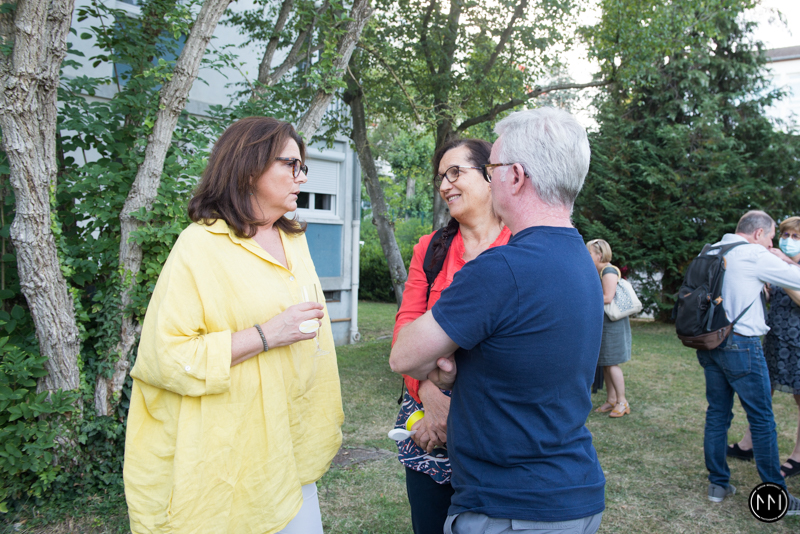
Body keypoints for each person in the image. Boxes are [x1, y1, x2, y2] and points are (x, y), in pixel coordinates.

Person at [123, 117, 344, 534]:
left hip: (289, 444)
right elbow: (166, 356)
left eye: (303, 167)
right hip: (229, 456)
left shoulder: (294, 240)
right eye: (291, 165)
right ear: (249, 168)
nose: (302, 177)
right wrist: (266, 335)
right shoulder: (200, 246)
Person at [390, 107, 605, 534]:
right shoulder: (580, 259)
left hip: (509, 506)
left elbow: (403, 356)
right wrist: (450, 379)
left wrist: (444, 366)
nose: (490, 178)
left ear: (516, 176)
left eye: (492, 169)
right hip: (573, 493)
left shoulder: (501, 268)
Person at [393, 138, 510, 534]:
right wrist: (428, 393)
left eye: (456, 172)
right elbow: (404, 334)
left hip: (496, 428)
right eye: (441, 177)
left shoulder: (522, 247)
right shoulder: (431, 250)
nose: (445, 185)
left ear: (491, 175)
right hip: (428, 429)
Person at [696, 210, 800, 513]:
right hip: (742, 344)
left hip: (709, 342)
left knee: (717, 414)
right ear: (758, 234)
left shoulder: (712, 249)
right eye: (771, 237)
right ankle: (776, 494)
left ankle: (718, 484)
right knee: (762, 419)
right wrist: (784, 259)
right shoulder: (754, 254)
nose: (772, 244)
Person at [729, 216, 800, 479]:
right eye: (785, 235)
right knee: (762, 393)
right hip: (775, 338)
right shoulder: (774, 262)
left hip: (797, 341)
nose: (788, 240)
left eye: (795, 236)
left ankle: (798, 457)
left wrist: (785, 269)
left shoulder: (787, 266)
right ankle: (748, 444)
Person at [586, 239, 632, 418]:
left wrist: (586, 298)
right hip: (606, 322)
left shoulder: (609, 271)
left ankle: (622, 401)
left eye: (590, 253)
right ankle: (611, 400)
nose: (587, 256)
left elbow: (608, 297)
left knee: (612, 364)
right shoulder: (601, 271)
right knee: (606, 362)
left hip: (613, 323)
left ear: (599, 254)